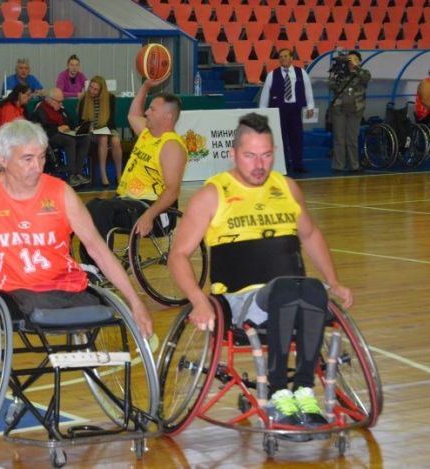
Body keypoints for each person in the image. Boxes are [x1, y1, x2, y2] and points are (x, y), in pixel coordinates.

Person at [167, 113, 353, 440]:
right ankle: (279, 393)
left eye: (266, 155)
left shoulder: (287, 187)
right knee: (287, 290)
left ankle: (303, 392)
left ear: (274, 152)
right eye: (250, 156)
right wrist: (198, 300)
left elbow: (310, 234)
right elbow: (178, 255)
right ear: (233, 154)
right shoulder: (212, 194)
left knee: (313, 289)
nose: (259, 165)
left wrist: (333, 281)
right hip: (241, 301)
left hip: (294, 293)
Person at [0, 119, 152, 341]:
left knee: (107, 313)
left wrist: (135, 302)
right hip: (13, 292)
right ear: (3, 159)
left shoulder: (62, 193)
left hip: (66, 287)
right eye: (27, 159)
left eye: (41, 157)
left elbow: (97, 248)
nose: (37, 166)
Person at [79, 78, 187, 267]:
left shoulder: (171, 146)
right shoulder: (147, 133)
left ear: (168, 116)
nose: (146, 112)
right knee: (91, 206)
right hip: (129, 202)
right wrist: (145, 87)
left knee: (102, 210)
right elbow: (132, 114)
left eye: (152, 109)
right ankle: (92, 265)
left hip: (154, 210)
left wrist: (149, 215)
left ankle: (100, 268)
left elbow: (172, 190)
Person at [259, 48, 314, 174]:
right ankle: (284, 164)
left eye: (285, 56)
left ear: (291, 58)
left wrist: (310, 106)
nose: (283, 58)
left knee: (297, 137)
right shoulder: (272, 74)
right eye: (280, 56)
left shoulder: (301, 72)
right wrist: (263, 111)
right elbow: (265, 93)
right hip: (279, 110)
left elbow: (308, 90)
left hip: (295, 109)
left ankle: (298, 164)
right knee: (281, 138)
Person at [32, 87, 91, 188]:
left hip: (65, 134)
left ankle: (79, 172)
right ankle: (71, 175)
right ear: (50, 100)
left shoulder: (60, 109)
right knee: (70, 141)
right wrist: (57, 128)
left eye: (61, 101)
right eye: (59, 102)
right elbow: (42, 128)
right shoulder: (41, 109)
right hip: (50, 136)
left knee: (85, 138)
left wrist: (75, 128)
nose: (61, 104)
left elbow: (70, 121)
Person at [329, 50, 371, 173]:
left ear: (359, 61)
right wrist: (337, 71)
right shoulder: (340, 72)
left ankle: (354, 165)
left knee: (352, 139)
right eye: (349, 60)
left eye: (355, 60)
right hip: (339, 109)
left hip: (356, 110)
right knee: (339, 139)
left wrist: (356, 67)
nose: (351, 62)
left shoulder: (363, 72)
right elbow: (331, 85)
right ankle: (338, 166)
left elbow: (366, 78)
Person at [78, 75, 123, 187]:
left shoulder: (110, 98)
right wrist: (89, 127)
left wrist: (104, 128)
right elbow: (81, 120)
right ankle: (103, 174)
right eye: (91, 88)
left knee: (116, 141)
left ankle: (119, 175)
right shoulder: (84, 98)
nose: (92, 91)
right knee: (103, 138)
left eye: (95, 89)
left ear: (102, 91)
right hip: (92, 131)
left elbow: (111, 120)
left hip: (107, 127)